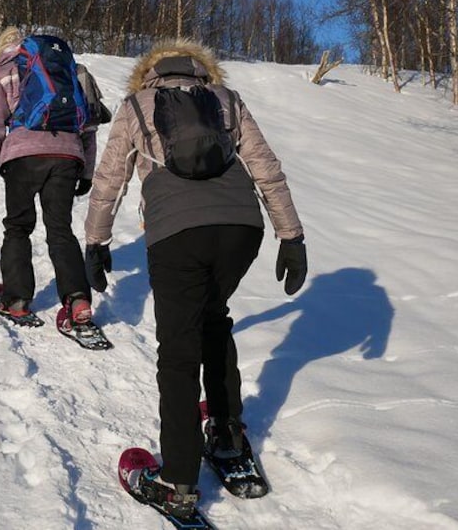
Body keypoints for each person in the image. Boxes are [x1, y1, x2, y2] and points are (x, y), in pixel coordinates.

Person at [83, 39, 307, 514]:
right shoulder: (226, 100)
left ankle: (178, 480)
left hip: (176, 233)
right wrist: (291, 236)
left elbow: (109, 179)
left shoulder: (136, 105)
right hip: (241, 227)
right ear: (202, 70)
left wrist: (96, 242)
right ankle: (226, 434)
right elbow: (265, 168)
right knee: (213, 318)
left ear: (149, 74)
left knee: (179, 351)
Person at [0, 27, 98, 325]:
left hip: (22, 157)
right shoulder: (70, 70)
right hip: (67, 155)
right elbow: (89, 126)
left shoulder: (2, 73)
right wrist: (87, 171)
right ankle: (77, 300)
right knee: (60, 229)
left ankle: (16, 299)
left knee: (18, 227)